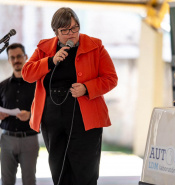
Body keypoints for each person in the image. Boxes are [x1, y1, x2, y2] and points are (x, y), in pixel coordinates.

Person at [22, 7, 118, 185]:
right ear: (56, 32)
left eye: (74, 28)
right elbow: (27, 73)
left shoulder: (95, 46)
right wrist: (50, 61)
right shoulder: (44, 48)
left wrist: (87, 88)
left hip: (84, 118)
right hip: (52, 118)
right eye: (65, 30)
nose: (71, 34)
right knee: (58, 168)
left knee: (85, 170)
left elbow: (111, 79)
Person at [0, 43, 39, 185]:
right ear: (9, 60)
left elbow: (45, 110)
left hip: (29, 139)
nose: (16, 60)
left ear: (26, 57)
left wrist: (30, 115)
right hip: (7, 139)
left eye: (19, 56)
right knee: (6, 181)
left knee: (29, 181)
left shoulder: (37, 85)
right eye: (12, 57)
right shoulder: (2, 86)